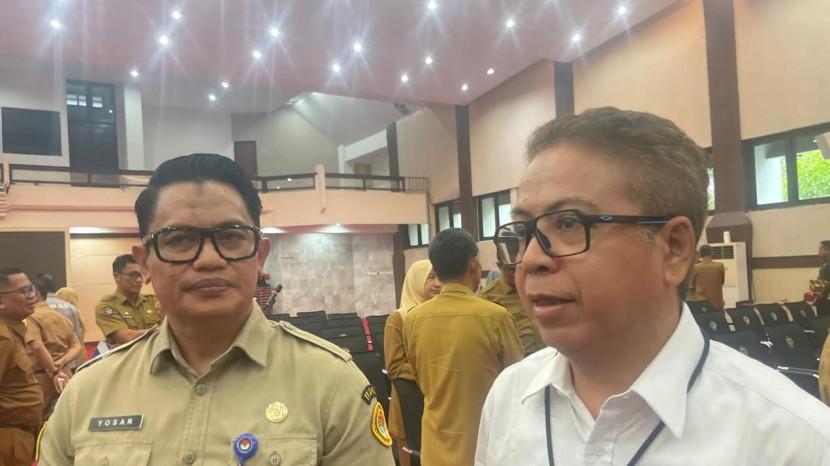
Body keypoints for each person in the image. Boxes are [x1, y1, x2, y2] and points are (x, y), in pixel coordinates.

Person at [475, 107, 830, 465]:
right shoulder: (510, 396)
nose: (531, 259)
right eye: (524, 231)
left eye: (568, 223)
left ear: (674, 248)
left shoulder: (793, 442)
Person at [39, 153, 395, 465]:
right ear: (144, 262)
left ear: (260, 255)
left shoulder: (331, 384)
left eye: (231, 236)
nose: (209, 260)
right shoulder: (88, 392)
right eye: (179, 240)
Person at [404, 228, 523, 466]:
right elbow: (518, 380)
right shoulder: (496, 317)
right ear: (474, 264)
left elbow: (419, 376)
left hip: (435, 445)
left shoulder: (413, 319)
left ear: (436, 269)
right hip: (484, 444)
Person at [384, 259, 442, 466]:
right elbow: (394, 366)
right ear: (416, 281)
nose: (437, 283)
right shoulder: (398, 319)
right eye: (430, 277)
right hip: (410, 400)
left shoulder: (440, 316)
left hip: (437, 397)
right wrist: (430, 372)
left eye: (439, 277)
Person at [0, 268, 43, 466]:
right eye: (23, 291)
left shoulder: (13, 332)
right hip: (7, 438)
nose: (32, 295)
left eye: (31, 289)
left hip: (19, 435)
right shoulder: (3, 338)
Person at [25, 278, 82, 418]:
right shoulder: (61, 318)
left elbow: (37, 346)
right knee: (66, 417)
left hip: (42, 377)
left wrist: (53, 369)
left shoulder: (31, 318)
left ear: (37, 294)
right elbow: (76, 345)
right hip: (65, 374)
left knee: (38, 420)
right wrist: (61, 362)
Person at [480, 260, 545, 355]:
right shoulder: (488, 297)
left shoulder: (536, 283)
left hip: (548, 350)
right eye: (510, 270)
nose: (515, 274)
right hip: (521, 355)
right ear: (500, 266)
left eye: (519, 268)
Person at [94, 254, 160, 346]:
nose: (139, 280)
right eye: (133, 275)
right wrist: (162, 331)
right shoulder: (107, 306)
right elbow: (127, 337)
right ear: (117, 276)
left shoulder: (152, 301)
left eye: (141, 274)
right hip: (129, 354)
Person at [37, 274, 86, 357]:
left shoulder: (37, 308)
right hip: (71, 356)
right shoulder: (71, 308)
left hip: (47, 357)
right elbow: (78, 335)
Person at [689, 244, 725, 309]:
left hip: (701, 302)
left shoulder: (695, 267)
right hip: (717, 303)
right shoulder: (720, 266)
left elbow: (691, 285)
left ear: (700, 254)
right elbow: (722, 282)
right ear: (712, 253)